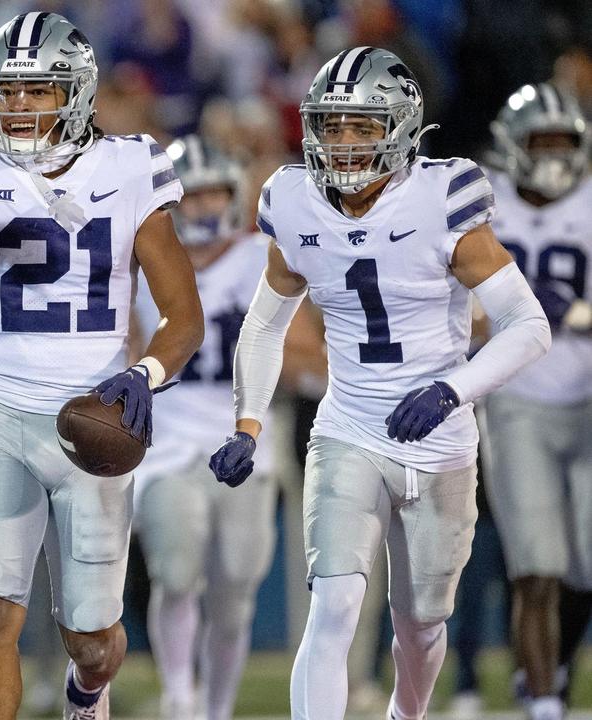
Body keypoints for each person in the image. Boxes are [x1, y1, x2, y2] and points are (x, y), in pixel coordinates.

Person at [208, 47, 552, 720]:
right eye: (332, 126)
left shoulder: (443, 196)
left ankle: (405, 714)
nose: (343, 142)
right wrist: (248, 422)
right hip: (348, 429)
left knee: (421, 624)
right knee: (333, 603)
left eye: (361, 126)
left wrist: (452, 390)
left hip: (442, 441)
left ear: (399, 127)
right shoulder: (295, 201)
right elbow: (264, 325)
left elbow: (528, 326)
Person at [0, 12, 204, 720]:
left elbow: (183, 316)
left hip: (93, 417)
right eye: (5, 90)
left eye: (36, 89)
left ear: (74, 92)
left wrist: (145, 376)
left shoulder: (133, 164)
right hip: (2, 414)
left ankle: (85, 695)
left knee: (93, 642)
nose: (17, 105)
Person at [132, 135, 277, 720]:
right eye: (193, 195)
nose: (206, 206)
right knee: (176, 572)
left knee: (236, 593)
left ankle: (216, 709)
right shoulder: (143, 259)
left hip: (245, 445)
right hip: (167, 444)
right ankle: (179, 697)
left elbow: (299, 349)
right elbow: (123, 350)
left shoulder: (264, 258)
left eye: (216, 192)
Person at [483, 82, 592, 720]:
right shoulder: (481, 203)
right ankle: (544, 702)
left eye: (563, 142)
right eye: (539, 141)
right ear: (511, 145)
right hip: (514, 397)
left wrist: (574, 311)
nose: (552, 154)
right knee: (536, 564)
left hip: (586, 400)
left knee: (583, 567)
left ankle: (550, 673)